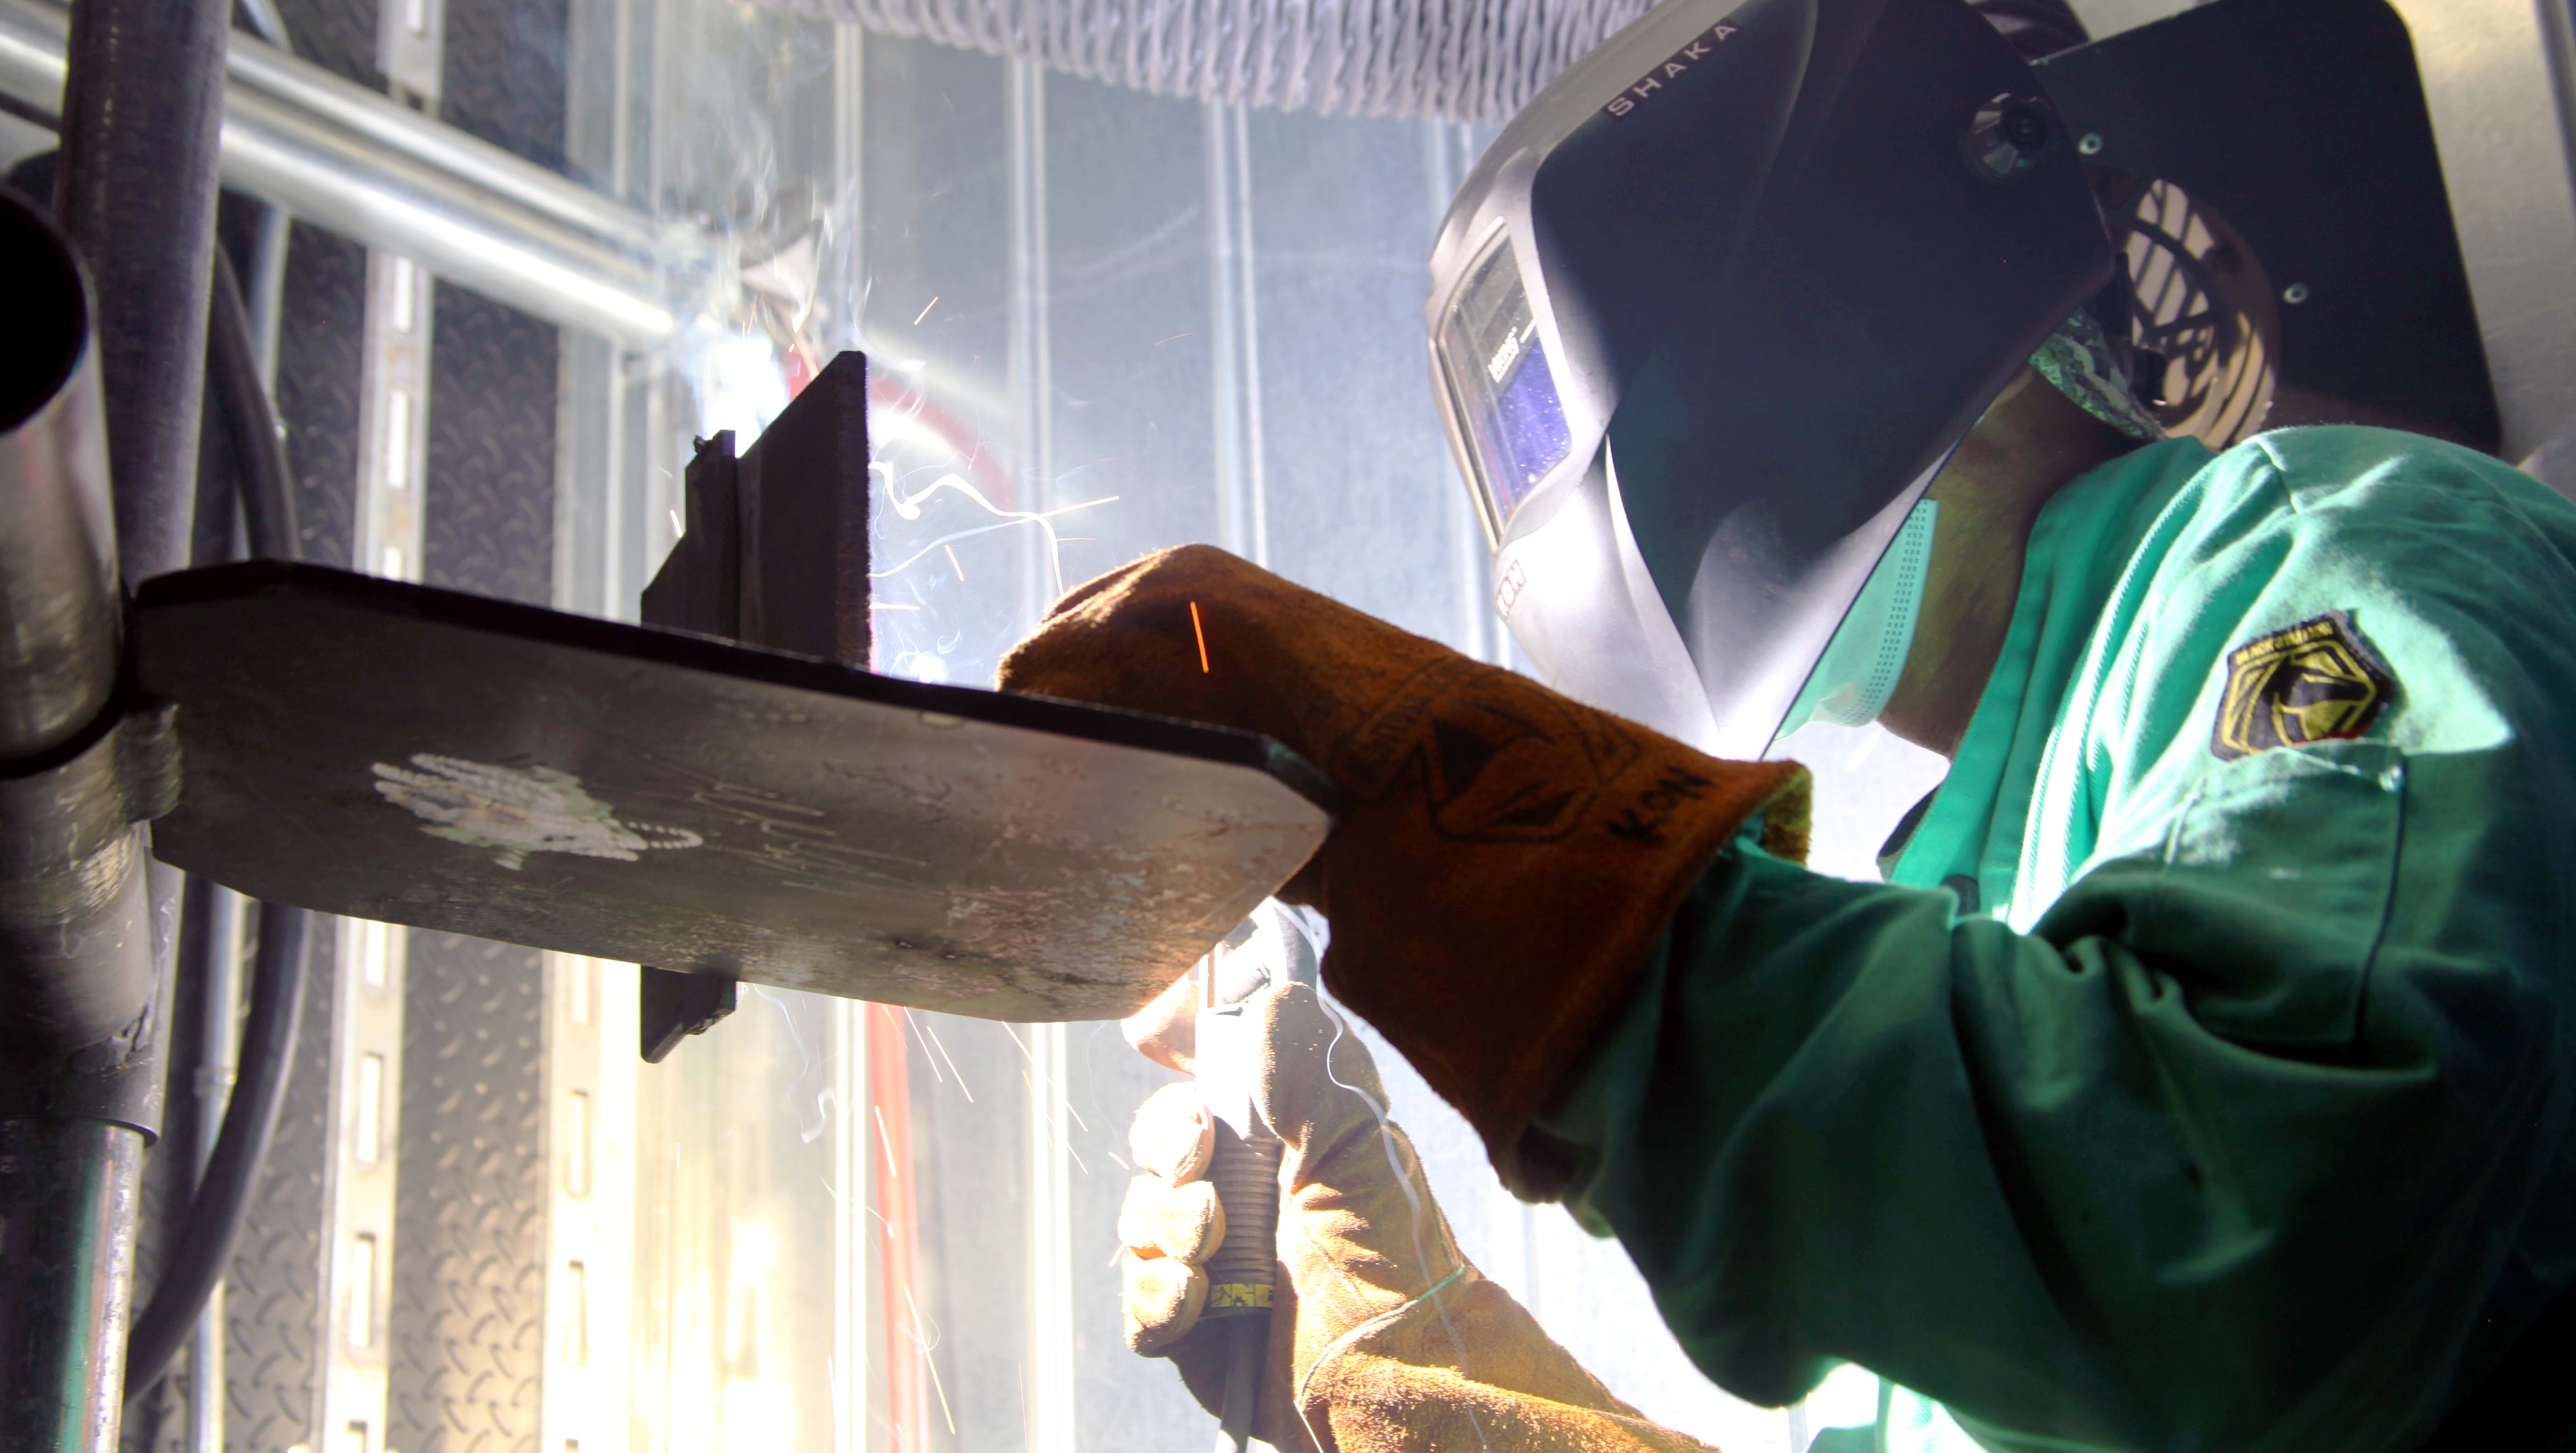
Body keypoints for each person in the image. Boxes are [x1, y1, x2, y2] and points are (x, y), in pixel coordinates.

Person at [999, 326, 2576, 1451]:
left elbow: (2257, 1254)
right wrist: (1401, 1369)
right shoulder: (1991, 921)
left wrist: (1514, 867)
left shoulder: (2341, 548)